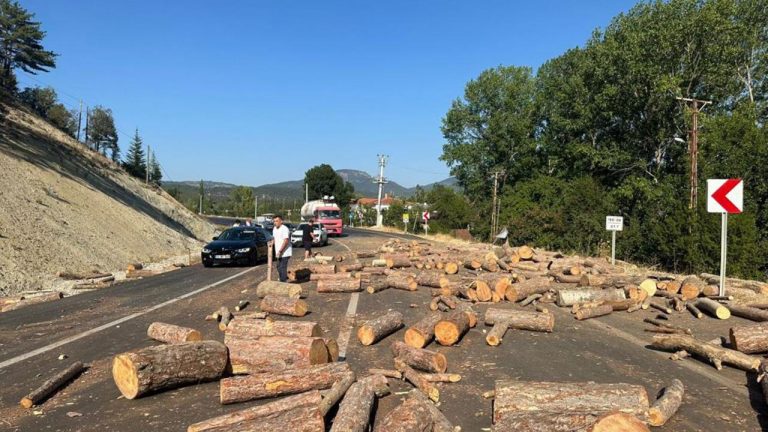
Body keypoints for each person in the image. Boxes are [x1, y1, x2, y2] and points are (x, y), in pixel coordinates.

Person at [271, 215, 292, 282]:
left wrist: (280, 251)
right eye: (274, 221)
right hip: (278, 252)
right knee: (278, 267)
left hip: (285, 252)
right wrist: (271, 243)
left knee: (282, 267)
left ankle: (283, 282)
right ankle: (282, 279)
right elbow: (275, 239)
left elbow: (286, 241)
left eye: (277, 221)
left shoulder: (284, 229)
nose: (275, 223)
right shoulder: (274, 229)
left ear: (281, 221)